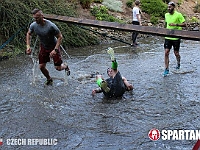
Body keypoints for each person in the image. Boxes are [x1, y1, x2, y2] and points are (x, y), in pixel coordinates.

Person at [26, 8, 70, 85]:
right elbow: (28, 34)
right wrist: (28, 46)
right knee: (41, 67)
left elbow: (60, 37)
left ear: (42, 16)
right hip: (43, 47)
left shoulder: (51, 26)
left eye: (37, 18)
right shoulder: (33, 25)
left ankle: (65, 66)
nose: (35, 20)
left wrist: (55, 50)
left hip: (53, 46)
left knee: (58, 68)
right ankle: (49, 79)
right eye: (34, 18)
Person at [163, 1, 186, 76]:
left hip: (176, 37)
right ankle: (166, 69)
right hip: (168, 37)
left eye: (170, 7)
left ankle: (178, 63)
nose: (168, 8)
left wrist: (175, 24)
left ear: (173, 7)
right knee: (166, 52)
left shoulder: (178, 15)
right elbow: (165, 24)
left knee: (176, 53)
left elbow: (184, 24)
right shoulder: (166, 15)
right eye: (168, 7)